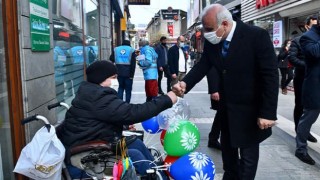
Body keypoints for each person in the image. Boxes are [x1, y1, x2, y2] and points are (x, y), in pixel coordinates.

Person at [172, 4, 278, 179]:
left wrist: (268, 112)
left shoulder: (256, 36)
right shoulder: (214, 41)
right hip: (227, 108)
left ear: (225, 24)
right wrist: (184, 84)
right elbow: (204, 65)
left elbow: (271, 76)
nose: (206, 34)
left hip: (250, 110)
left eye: (209, 29)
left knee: (248, 160)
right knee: (228, 157)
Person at [58, 60, 177, 177]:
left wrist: (124, 125)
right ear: (101, 79)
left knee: (136, 143)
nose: (116, 81)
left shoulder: (91, 93)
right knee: (135, 156)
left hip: (94, 142)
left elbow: (100, 119)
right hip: (84, 154)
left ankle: (157, 174)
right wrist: (166, 100)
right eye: (113, 77)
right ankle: (152, 174)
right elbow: (134, 112)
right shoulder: (99, 97)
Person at [289, 16, 318, 143]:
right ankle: (299, 130)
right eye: (313, 25)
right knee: (300, 105)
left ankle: (306, 131)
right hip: (301, 77)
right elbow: (292, 58)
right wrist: (308, 66)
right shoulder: (298, 40)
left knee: (311, 108)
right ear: (307, 26)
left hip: (314, 79)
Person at [295, 18, 320, 165]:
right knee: (308, 119)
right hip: (315, 86)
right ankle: (301, 149)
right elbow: (315, 53)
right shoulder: (307, 37)